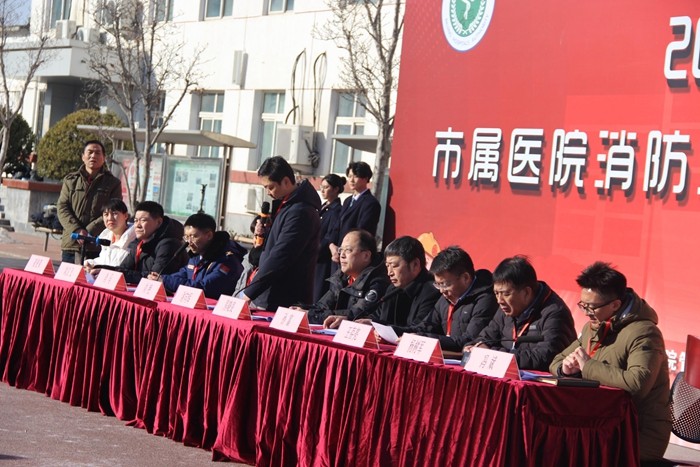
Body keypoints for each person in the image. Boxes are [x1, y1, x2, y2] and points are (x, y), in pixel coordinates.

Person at [549, 262, 671, 463]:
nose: (586, 312)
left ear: (615, 305)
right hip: (603, 422)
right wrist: (566, 369)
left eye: (591, 307)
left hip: (637, 431)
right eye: (583, 305)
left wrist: (588, 367)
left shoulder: (644, 332)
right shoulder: (594, 326)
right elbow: (556, 361)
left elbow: (637, 384)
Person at [240, 156, 321, 310]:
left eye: (270, 187)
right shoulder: (285, 205)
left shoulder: (300, 211)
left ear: (285, 181)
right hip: (270, 294)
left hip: (285, 298)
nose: (268, 193)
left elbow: (282, 254)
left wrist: (250, 293)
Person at [468, 256, 576, 371]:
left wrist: (494, 354)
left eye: (506, 294)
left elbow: (546, 357)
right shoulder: (506, 308)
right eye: (496, 293)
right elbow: (484, 339)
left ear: (526, 292)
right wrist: (475, 347)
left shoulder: (555, 313)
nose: (499, 300)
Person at [338, 236, 440, 333]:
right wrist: (352, 321)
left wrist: (378, 326)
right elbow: (377, 316)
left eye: (394, 266)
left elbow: (418, 330)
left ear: (415, 265)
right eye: (387, 266)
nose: (389, 273)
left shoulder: (432, 291)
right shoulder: (393, 289)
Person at [408, 247, 498, 352]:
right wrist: (397, 332)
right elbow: (425, 327)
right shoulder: (446, 297)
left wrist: (425, 339)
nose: (441, 290)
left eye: (444, 284)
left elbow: (469, 340)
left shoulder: (485, 299)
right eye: (438, 284)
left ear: (465, 278)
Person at [148, 213, 246, 299]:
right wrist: (159, 278)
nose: (189, 242)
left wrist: (165, 281)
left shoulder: (226, 261)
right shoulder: (196, 257)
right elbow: (183, 274)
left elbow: (204, 288)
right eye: (186, 237)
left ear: (209, 235)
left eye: (193, 236)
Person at [57, 140, 122, 264]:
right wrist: (77, 230)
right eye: (90, 152)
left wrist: (89, 231)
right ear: (83, 156)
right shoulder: (71, 180)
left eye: (97, 153)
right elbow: (62, 207)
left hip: (97, 245)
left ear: (103, 158)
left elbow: (113, 210)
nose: (93, 156)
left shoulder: (113, 183)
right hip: (71, 243)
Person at [306, 229, 390, 325]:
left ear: (366, 256)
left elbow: (356, 314)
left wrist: (312, 315)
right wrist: (303, 311)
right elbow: (321, 306)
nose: (342, 255)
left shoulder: (378, 282)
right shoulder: (342, 277)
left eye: (348, 250)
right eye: (341, 250)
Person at [105, 201, 188, 284]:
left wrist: (123, 274)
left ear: (159, 222)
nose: (137, 225)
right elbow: (122, 269)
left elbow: (154, 278)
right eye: (135, 221)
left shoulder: (169, 244)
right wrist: (102, 270)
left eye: (143, 220)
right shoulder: (139, 243)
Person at [329, 161, 381, 272]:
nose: (351, 180)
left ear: (366, 178)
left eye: (356, 176)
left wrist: (346, 249)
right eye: (349, 176)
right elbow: (337, 225)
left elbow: (363, 230)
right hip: (338, 255)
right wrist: (332, 245)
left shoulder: (370, 203)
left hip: (354, 258)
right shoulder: (347, 201)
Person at [314, 173, 345, 302]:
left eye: (326, 187)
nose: (322, 190)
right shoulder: (322, 208)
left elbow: (330, 235)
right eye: (321, 187)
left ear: (336, 189)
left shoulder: (337, 210)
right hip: (315, 257)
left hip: (323, 257)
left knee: (317, 293)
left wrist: (316, 251)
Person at [83, 199, 136, 273]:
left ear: (125, 215)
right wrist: (91, 264)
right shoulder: (106, 237)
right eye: (106, 214)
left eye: (114, 213)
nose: (110, 218)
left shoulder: (134, 239)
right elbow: (105, 260)